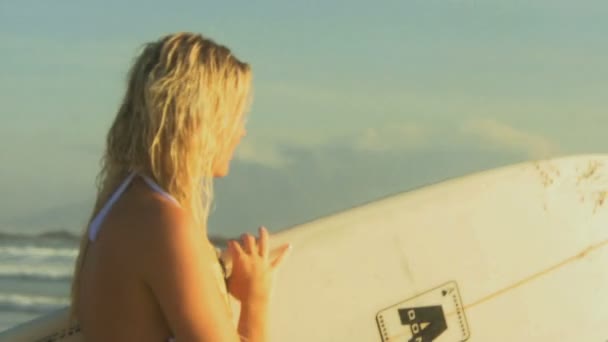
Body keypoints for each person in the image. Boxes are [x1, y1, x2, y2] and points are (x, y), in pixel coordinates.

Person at [70, 32, 292, 341]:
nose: (241, 132)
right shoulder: (163, 224)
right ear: (199, 120)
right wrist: (256, 301)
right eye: (236, 116)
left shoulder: (121, 205)